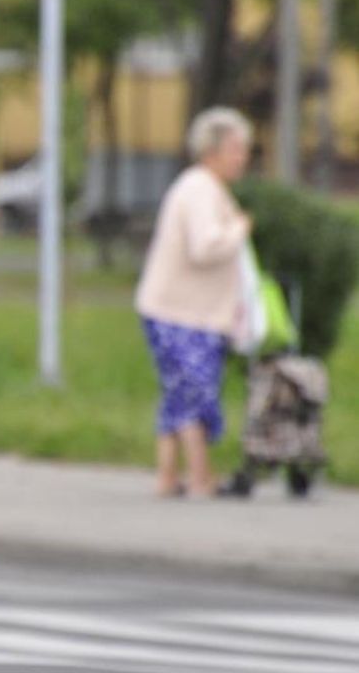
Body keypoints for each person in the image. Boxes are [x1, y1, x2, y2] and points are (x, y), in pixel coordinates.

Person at [135, 107, 253, 499]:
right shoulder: (200, 189)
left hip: (179, 309)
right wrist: (238, 229)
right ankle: (201, 479)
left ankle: (168, 478)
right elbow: (205, 247)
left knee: (177, 393)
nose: (243, 157)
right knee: (194, 393)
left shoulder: (205, 187)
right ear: (212, 150)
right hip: (181, 313)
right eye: (236, 149)